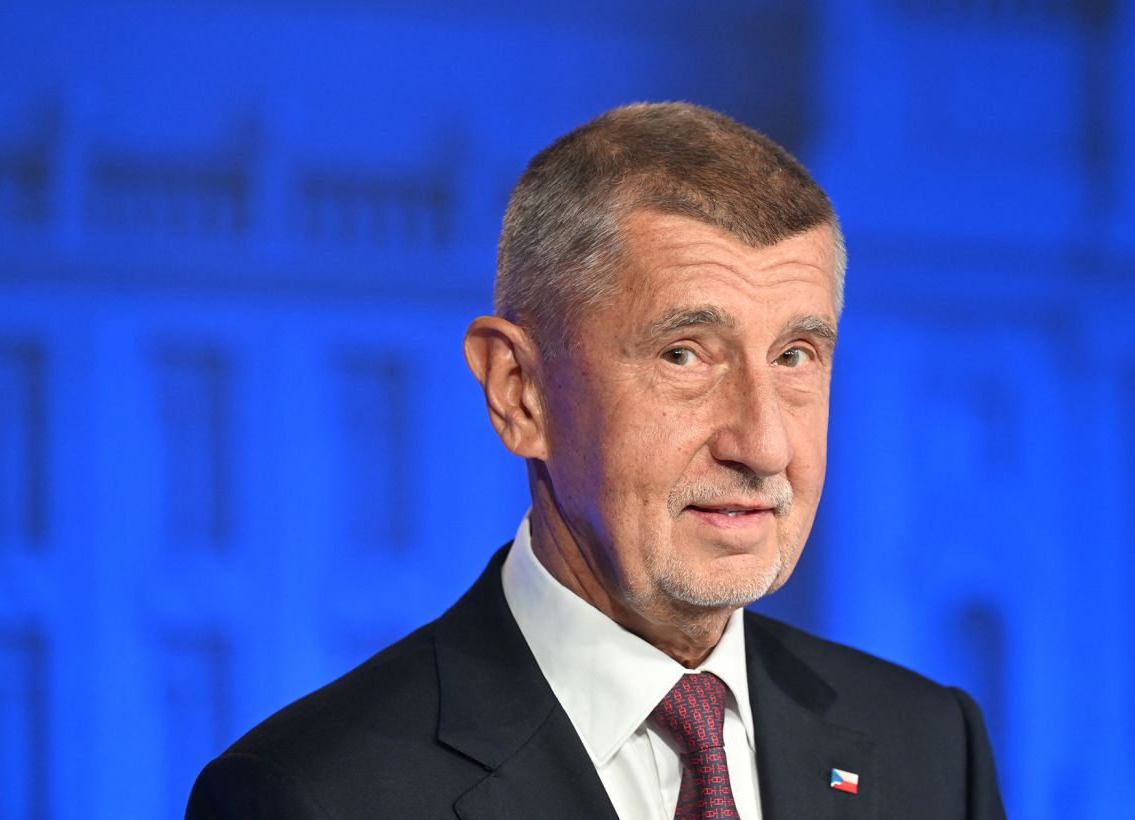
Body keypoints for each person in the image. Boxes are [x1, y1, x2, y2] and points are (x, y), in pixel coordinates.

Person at [186, 102, 1006, 819]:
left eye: (795, 356)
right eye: (685, 355)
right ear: (520, 393)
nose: (764, 445)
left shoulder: (932, 750)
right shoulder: (309, 796)